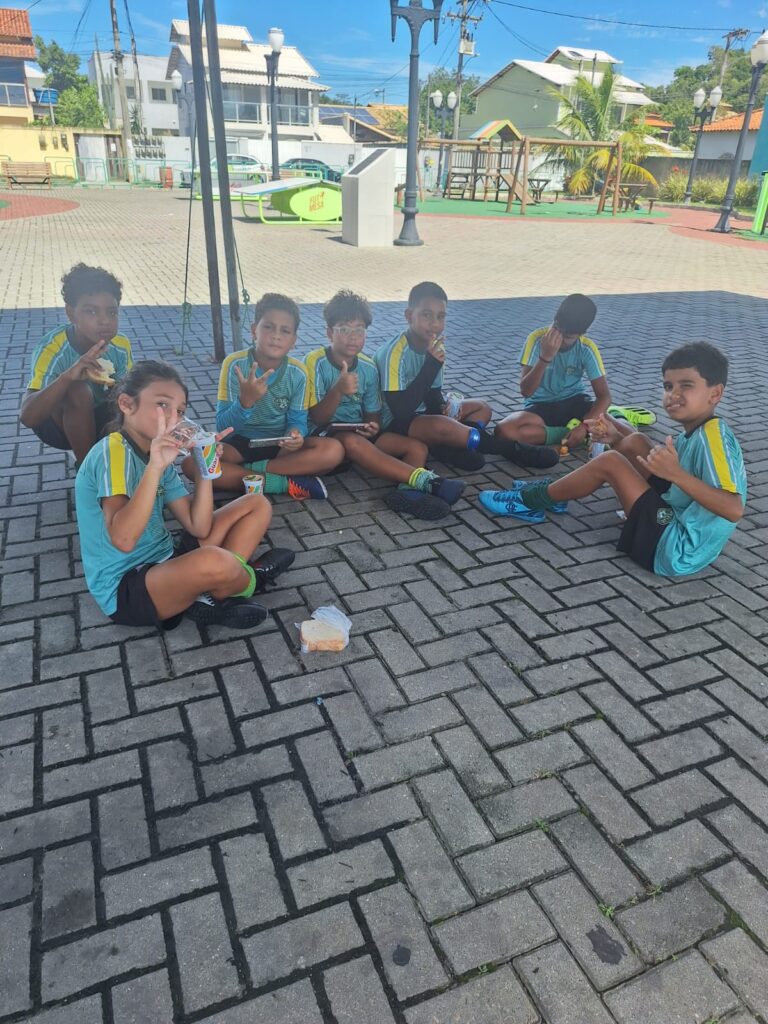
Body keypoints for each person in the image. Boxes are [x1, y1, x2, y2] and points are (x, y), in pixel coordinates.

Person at [480, 342, 746, 578]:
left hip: (676, 549)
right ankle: (557, 494)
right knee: (636, 442)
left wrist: (676, 474)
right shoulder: (702, 429)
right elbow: (654, 461)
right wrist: (616, 437)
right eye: (668, 386)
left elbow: (734, 508)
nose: (673, 395)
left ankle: (529, 501)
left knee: (611, 462)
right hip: (683, 524)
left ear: (715, 393)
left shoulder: (712, 438)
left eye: (686, 386)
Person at [75, 361, 295, 631]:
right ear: (126, 404)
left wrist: (205, 466)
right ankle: (251, 579)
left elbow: (198, 526)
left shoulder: (157, 452)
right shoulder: (112, 453)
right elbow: (123, 540)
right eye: (162, 405)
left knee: (256, 504)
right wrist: (155, 467)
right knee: (215, 559)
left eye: (179, 411)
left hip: (167, 557)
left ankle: (211, 593)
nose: (173, 417)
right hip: (127, 587)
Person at [305, 289, 465, 518]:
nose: (352, 337)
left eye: (359, 330)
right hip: (323, 439)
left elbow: (373, 414)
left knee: (416, 447)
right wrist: (338, 390)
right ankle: (429, 482)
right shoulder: (315, 362)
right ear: (330, 333)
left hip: (359, 437)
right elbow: (317, 418)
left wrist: (372, 427)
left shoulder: (368, 368)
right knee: (351, 441)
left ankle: (407, 495)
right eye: (344, 329)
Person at [373, 281, 556, 472]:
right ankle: (510, 449)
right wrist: (431, 366)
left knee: (482, 408)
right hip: (393, 423)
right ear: (409, 316)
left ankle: (451, 447)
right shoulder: (394, 353)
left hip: (422, 416)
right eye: (426, 315)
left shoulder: (436, 348)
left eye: (441, 316)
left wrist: (442, 407)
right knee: (442, 425)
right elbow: (401, 411)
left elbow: (433, 393)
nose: (435, 323)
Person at [207, 293, 344, 499]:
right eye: (268, 327)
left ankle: (249, 472)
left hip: (281, 446)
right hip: (241, 444)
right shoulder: (235, 364)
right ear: (254, 330)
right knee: (195, 463)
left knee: (333, 450)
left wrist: (295, 435)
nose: (276, 336)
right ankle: (284, 483)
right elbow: (222, 428)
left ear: (294, 340)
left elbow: (297, 421)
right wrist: (245, 402)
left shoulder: (298, 373)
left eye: (285, 330)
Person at [20, 263, 133, 464]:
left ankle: (122, 463)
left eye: (111, 312)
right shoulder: (53, 348)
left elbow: (129, 394)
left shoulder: (120, 345)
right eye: (91, 312)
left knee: (131, 396)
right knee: (77, 389)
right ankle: (87, 470)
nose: (104, 321)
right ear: (71, 314)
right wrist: (68, 376)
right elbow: (28, 417)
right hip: (56, 425)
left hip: (99, 416)